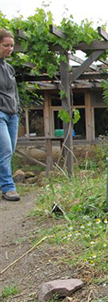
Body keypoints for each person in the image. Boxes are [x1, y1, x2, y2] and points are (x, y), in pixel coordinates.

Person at [0, 28, 20, 201]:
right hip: (0, 115)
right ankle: (8, 188)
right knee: (5, 150)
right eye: (6, 45)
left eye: (12, 46)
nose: (9, 49)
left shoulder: (10, 69)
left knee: (9, 151)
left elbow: (14, 92)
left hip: (12, 115)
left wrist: (17, 109)